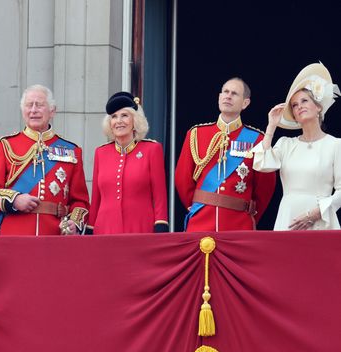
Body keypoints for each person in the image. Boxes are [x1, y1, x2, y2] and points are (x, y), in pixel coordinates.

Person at [0, 84, 90, 235]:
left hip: (54, 235)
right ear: (23, 111)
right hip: (14, 234)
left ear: (52, 111)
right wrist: (14, 200)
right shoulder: (6, 145)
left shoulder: (71, 150)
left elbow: (80, 201)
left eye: (40, 105)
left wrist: (74, 222)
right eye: (29, 105)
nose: (33, 110)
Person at [175, 78, 276, 231]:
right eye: (225, 92)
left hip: (238, 224)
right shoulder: (196, 134)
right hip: (201, 220)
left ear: (245, 103)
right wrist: (198, 205)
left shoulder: (258, 140)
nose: (228, 96)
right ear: (219, 97)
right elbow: (182, 178)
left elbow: (265, 186)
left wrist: (249, 214)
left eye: (234, 93)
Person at [253, 63, 341, 230]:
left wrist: (315, 213)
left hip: (320, 220)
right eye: (294, 105)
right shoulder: (286, 144)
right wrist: (271, 126)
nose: (299, 106)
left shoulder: (335, 145)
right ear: (294, 115)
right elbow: (262, 164)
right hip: (289, 217)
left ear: (318, 107)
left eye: (304, 101)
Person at [87, 92, 169, 234]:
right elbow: (96, 198)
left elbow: (160, 195)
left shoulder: (152, 149)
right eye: (114, 117)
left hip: (141, 228)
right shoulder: (101, 153)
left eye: (124, 115)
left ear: (135, 121)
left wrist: (161, 224)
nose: (119, 121)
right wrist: (90, 228)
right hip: (105, 230)